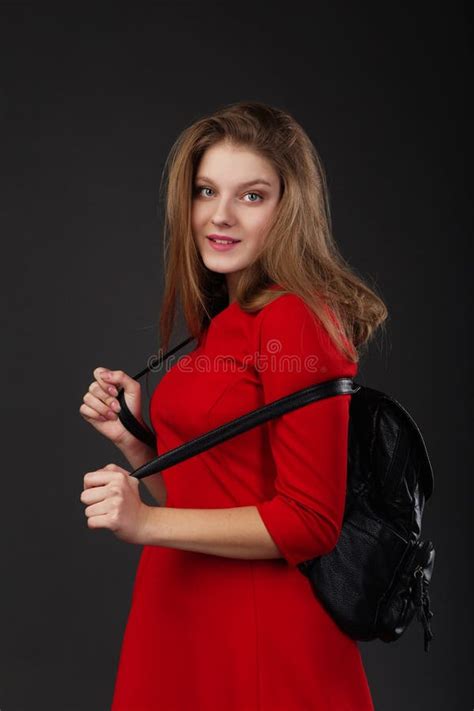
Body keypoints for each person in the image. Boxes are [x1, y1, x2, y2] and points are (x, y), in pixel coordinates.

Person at [79, 100, 387, 710]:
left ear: (288, 208)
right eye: (205, 190)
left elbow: (310, 520)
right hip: (183, 612)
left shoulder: (294, 320)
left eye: (251, 196)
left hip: (254, 636)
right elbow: (213, 493)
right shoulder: (226, 317)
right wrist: (135, 442)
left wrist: (143, 523)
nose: (219, 216)